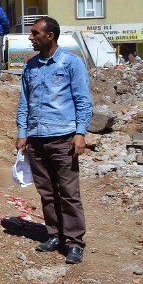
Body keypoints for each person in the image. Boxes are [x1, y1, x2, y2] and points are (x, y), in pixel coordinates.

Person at [16, 16, 92, 265]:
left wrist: (80, 133)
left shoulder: (72, 63)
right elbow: (25, 101)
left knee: (69, 192)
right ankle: (54, 234)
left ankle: (74, 241)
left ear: (50, 35)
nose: (31, 38)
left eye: (35, 33)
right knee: (47, 191)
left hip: (63, 138)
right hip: (37, 139)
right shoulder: (31, 66)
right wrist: (22, 132)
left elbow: (82, 99)